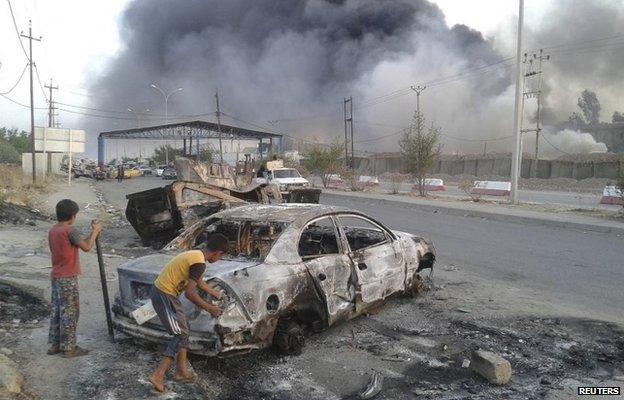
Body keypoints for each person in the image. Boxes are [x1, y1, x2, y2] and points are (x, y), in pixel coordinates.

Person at [148, 234, 228, 393]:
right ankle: (158, 375)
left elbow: (198, 281)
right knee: (180, 334)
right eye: (221, 256)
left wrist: (214, 293)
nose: (219, 259)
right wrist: (210, 308)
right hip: (164, 294)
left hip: (165, 293)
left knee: (184, 331)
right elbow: (190, 294)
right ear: (217, 253)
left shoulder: (196, 255)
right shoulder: (199, 263)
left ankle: (181, 372)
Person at [47, 199, 102, 358]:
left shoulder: (53, 230)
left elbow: (75, 243)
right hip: (67, 277)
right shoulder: (70, 230)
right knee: (70, 312)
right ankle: (69, 348)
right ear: (72, 216)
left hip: (56, 276)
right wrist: (95, 232)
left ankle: (55, 345)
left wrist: (90, 233)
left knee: (57, 311)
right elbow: (86, 247)